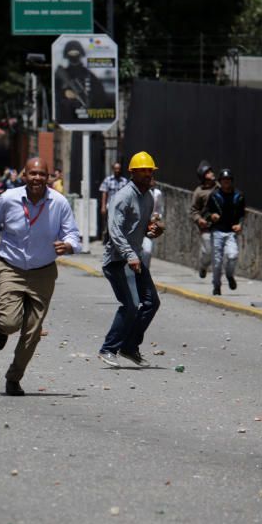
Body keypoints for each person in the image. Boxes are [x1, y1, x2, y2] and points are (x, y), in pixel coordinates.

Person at [0, 158, 80, 396]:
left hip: (43, 272)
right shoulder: (8, 199)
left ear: (49, 177)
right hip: (11, 267)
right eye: (33, 173)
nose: (37, 178)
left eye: (42, 174)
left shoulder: (59, 203)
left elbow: (73, 233)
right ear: (24, 176)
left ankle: (14, 378)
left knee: (32, 333)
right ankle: (2, 329)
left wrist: (69, 245)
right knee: (10, 323)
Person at [96, 152, 164, 369]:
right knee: (131, 305)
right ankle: (108, 348)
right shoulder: (123, 196)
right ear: (133, 173)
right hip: (118, 260)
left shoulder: (149, 197)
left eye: (150, 171)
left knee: (152, 302)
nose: (147, 174)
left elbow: (139, 228)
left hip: (134, 257)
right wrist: (129, 255)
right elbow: (114, 230)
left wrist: (152, 230)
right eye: (143, 171)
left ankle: (129, 346)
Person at [206, 168, 245, 296]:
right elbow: (206, 212)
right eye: (224, 180)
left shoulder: (238, 196)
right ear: (220, 182)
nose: (226, 183)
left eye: (228, 180)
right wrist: (211, 216)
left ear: (231, 181)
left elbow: (242, 214)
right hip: (217, 231)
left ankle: (229, 275)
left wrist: (240, 224)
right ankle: (216, 286)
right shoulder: (214, 196)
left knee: (233, 255)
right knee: (217, 262)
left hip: (231, 233)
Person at [190, 165, 217, 279]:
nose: (212, 173)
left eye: (211, 171)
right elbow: (193, 210)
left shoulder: (220, 188)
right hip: (206, 226)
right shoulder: (199, 192)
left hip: (219, 225)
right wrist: (199, 219)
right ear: (204, 176)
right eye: (208, 172)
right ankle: (203, 266)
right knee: (208, 252)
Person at [99, 162, 129, 241]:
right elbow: (104, 193)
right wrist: (103, 206)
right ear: (113, 169)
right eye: (116, 169)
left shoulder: (124, 181)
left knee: (119, 224)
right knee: (110, 224)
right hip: (110, 206)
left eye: (118, 169)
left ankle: (117, 240)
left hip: (121, 207)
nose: (117, 170)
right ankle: (109, 239)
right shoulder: (108, 180)